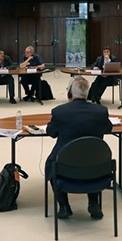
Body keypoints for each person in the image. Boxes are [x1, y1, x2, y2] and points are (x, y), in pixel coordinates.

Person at [45, 76, 112, 219]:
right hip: (96, 164)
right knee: (92, 162)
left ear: (70, 93)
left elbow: (51, 133)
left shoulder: (59, 112)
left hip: (65, 164)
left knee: (51, 164)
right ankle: (94, 204)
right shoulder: (101, 111)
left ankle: (64, 206)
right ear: (87, 94)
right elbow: (108, 129)